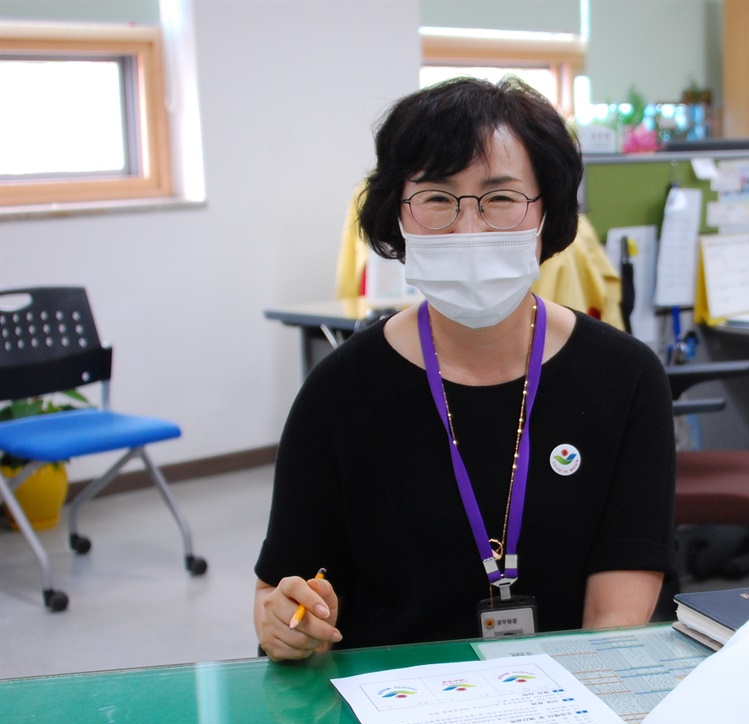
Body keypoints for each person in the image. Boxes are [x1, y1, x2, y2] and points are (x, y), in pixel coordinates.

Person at [254, 77, 675, 662]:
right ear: (396, 215)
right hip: (391, 709)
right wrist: (287, 623)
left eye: (500, 199)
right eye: (436, 198)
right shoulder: (341, 391)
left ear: (545, 211)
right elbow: (284, 590)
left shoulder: (624, 377)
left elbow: (615, 615)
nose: (469, 228)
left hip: (569, 704)